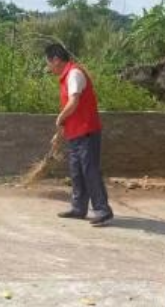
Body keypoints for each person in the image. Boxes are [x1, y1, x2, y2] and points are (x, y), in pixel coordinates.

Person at [45, 43, 114, 227]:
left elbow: (74, 102)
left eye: (48, 63)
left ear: (56, 60)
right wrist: (60, 132)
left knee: (90, 171)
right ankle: (78, 208)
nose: (49, 68)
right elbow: (70, 110)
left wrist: (60, 117)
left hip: (87, 132)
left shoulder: (74, 74)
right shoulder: (67, 76)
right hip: (76, 133)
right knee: (77, 171)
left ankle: (103, 210)